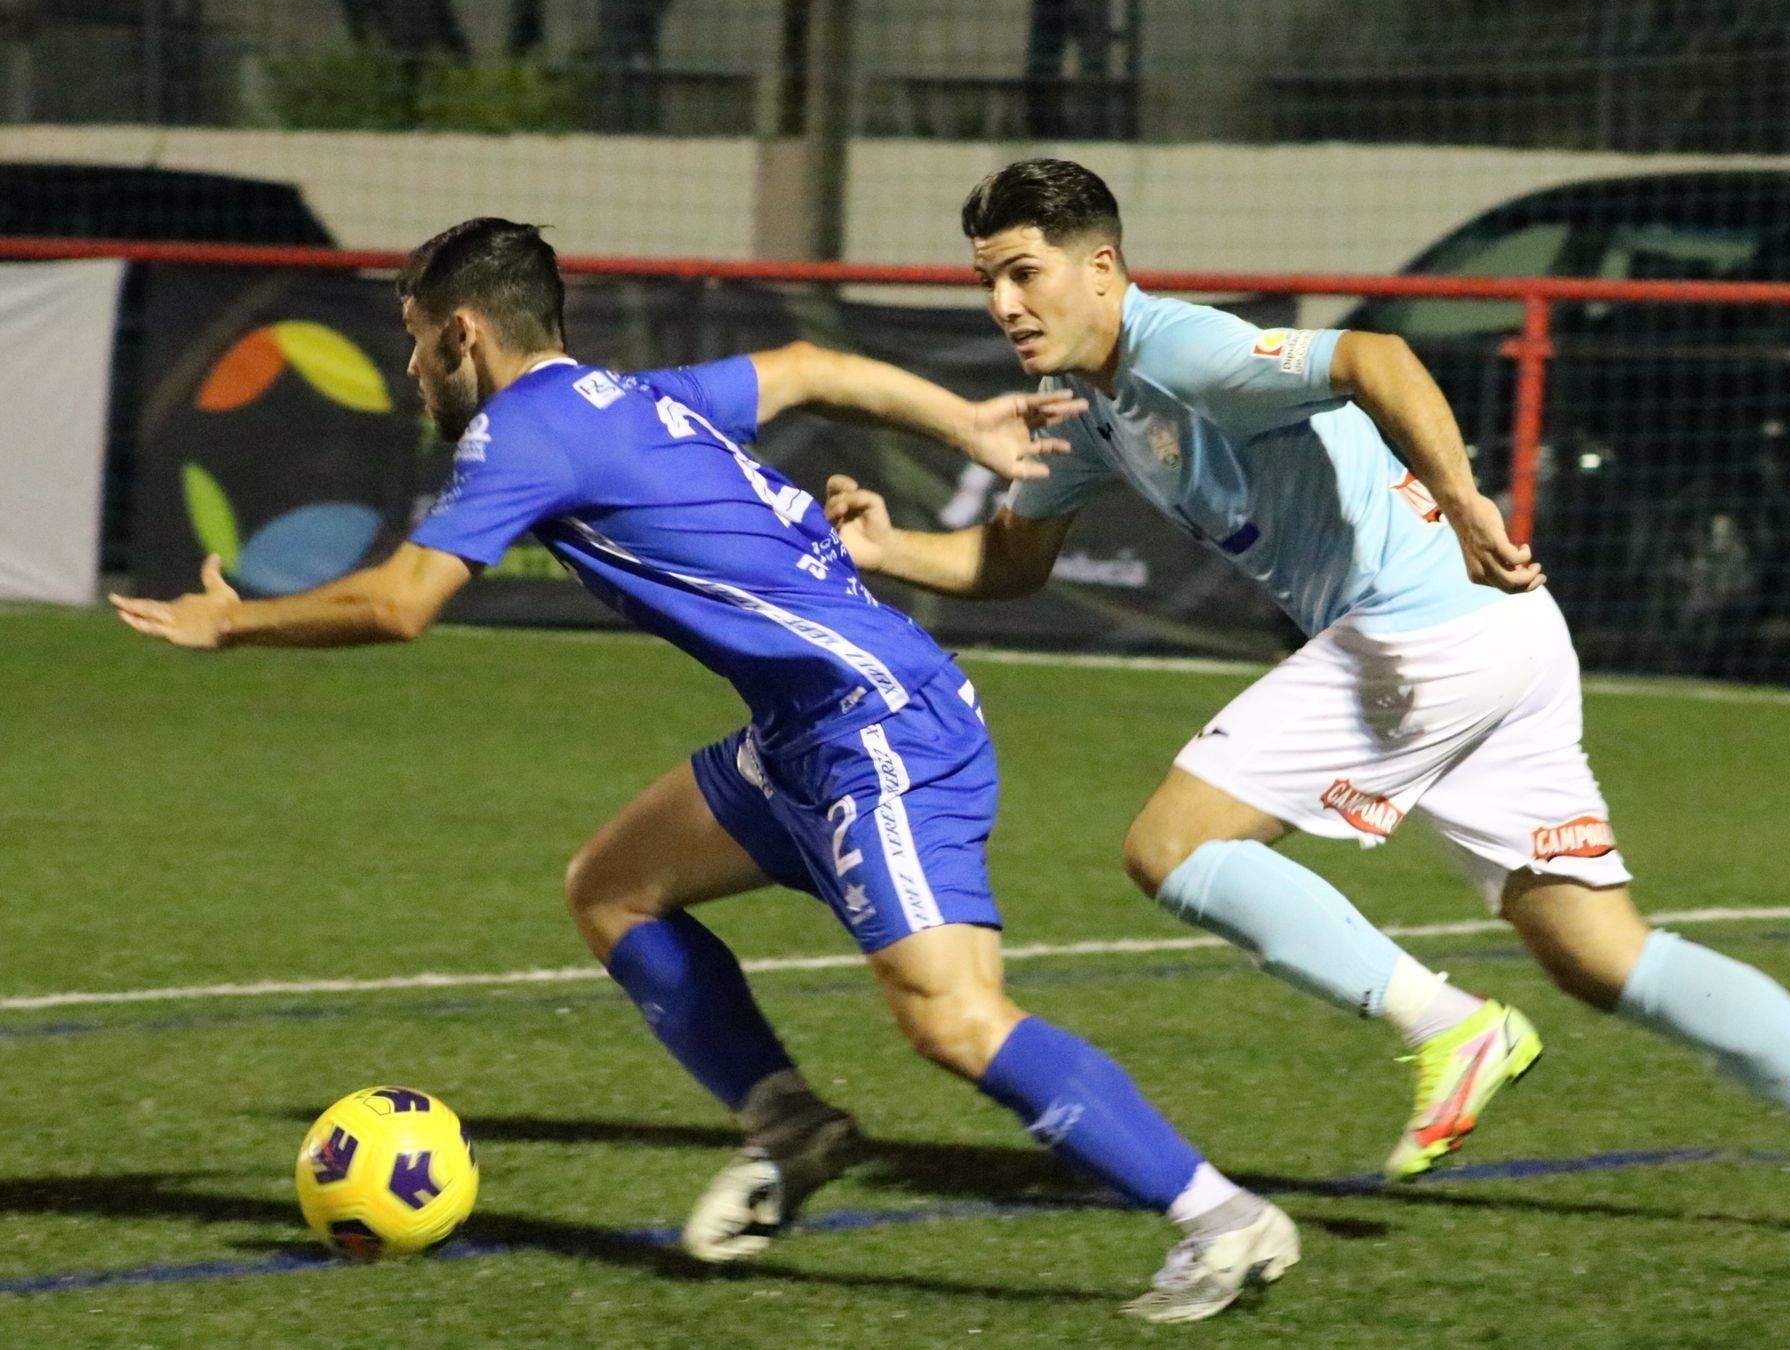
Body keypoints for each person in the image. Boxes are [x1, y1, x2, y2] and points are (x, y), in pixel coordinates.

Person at [111, 217, 1298, 1321]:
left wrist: (234, 625)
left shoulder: (522, 427)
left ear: (463, 333)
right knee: (611, 887)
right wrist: (965, 422)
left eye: (417, 344)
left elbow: (403, 602)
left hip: (871, 728)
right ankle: (789, 1126)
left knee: (954, 1018)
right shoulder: (620, 397)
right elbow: (807, 365)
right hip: (801, 727)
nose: (414, 370)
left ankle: (1218, 1215)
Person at [822, 159, 1790, 1238]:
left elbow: (1373, 355)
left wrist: (1466, 500)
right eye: (987, 281)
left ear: (1102, 270)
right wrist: (885, 546)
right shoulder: (1089, 405)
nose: (1004, 305)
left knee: (1172, 844)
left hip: (1421, 631)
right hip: (1500, 642)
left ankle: (1451, 1025)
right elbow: (1009, 567)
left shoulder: (1182, 351)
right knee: (1597, 951)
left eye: (1023, 272)